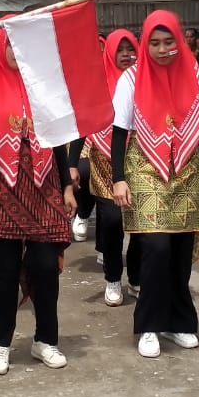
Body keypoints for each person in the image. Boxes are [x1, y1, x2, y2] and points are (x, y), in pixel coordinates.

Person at [0, 25, 76, 376]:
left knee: (46, 268)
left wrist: (66, 187)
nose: (16, 50)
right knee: (3, 273)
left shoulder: (43, 86)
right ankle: (1, 344)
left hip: (44, 185)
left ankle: (46, 340)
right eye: (9, 43)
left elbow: (56, 141)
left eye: (22, 43)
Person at [111, 11, 199, 358]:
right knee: (156, 249)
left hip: (188, 170)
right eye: (154, 43)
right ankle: (149, 325)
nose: (162, 49)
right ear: (145, 44)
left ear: (179, 41)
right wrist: (118, 178)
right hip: (145, 169)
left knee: (180, 252)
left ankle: (179, 322)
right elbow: (119, 132)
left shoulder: (194, 76)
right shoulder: (131, 79)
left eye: (168, 42)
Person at [72, 29, 141, 306]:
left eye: (130, 49)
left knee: (140, 224)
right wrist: (72, 164)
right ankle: (113, 278)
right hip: (103, 161)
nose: (126, 55)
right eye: (120, 50)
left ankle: (136, 277)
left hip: (139, 160)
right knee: (112, 222)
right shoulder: (97, 85)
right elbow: (83, 125)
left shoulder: (145, 80)